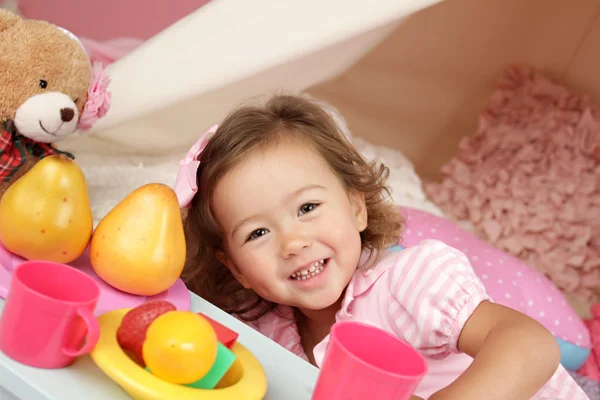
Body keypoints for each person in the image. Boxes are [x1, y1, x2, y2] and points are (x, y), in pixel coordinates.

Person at [174, 93, 588, 399]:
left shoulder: (407, 284)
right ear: (236, 269)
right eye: (257, 233)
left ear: (356, 208)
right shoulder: (267, 334)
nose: (293, 242)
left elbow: (529, 343)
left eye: (308, 207)